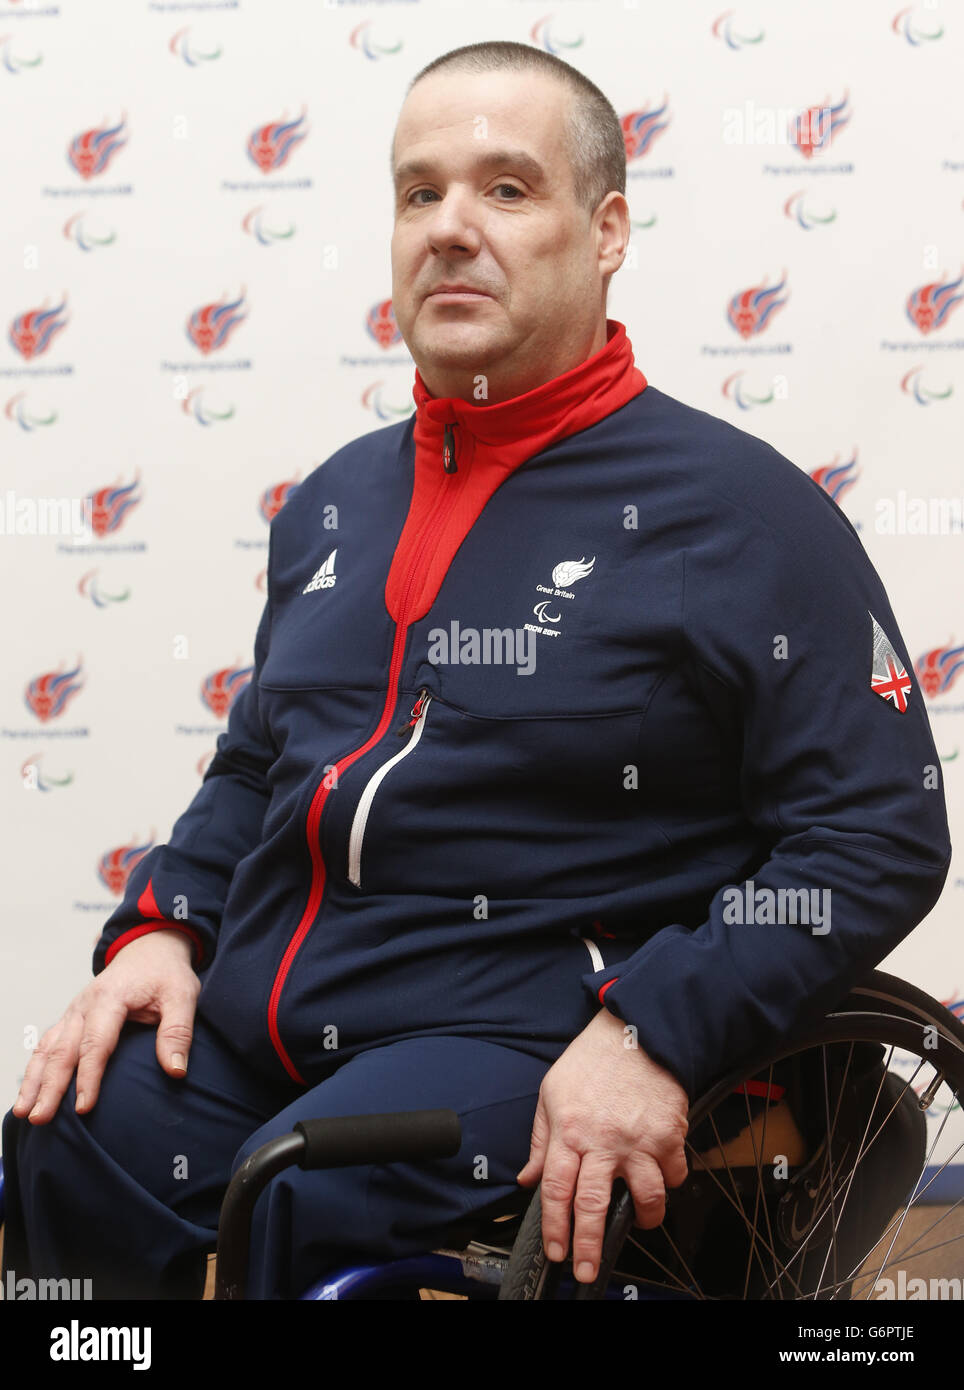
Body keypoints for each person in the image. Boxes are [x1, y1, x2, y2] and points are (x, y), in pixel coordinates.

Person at [2, 40, 951, 1300]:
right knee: (68, 1129)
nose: (449, 228)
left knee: (310, 1179)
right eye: (418, 192)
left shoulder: (740, 518)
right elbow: (257, 767)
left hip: (540, 1017)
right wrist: (164, 929)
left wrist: (655, 1026)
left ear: (606, 230)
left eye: (506, 189)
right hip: (275, 1017)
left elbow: (874, 833)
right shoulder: (334, 505)